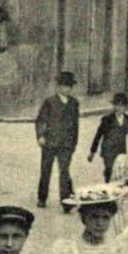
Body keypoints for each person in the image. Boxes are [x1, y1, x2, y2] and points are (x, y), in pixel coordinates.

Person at [35, 72, 80, 211]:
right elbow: (41, 120)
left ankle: (66, 202)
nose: (67, 89)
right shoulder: (49, 102)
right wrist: (41, 135)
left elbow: (75, 124)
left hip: (66, 144)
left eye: (69, 86)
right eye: (64, 86)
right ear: (58, 87)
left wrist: (74, 143)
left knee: (64, 171)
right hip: (50, 142)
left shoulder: (74, 103)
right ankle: (42, 198)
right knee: (45, 170)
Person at [88, 93, 128, 182]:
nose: (119, 108)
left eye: (122, 105)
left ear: (126, 107)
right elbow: (98, 135)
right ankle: (108, 185)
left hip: (121, 150)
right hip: (108, 151)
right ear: (114, 106)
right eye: (117, 105)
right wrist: (92, 152)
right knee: (109, 171)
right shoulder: (107, 119)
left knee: (120, 172)